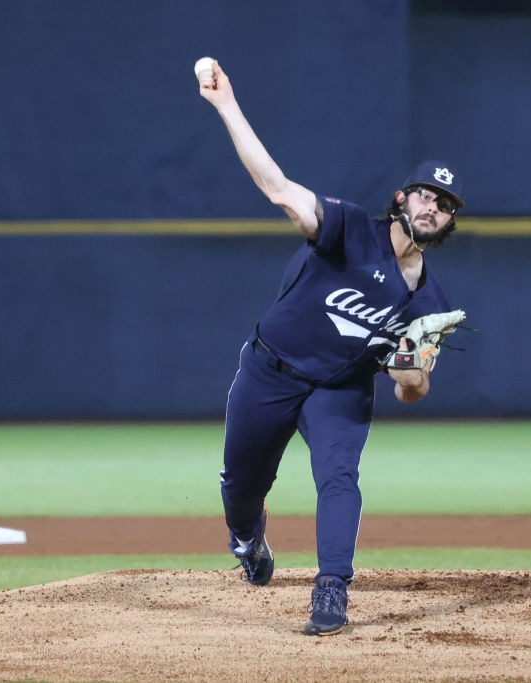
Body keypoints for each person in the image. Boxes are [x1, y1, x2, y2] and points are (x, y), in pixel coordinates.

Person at [197, 59, 466, 636]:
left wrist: (411, 369)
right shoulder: (348, 229)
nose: (432, 207)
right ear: (402, 199)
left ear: (447, 224)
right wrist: (226, 106)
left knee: (339, 478)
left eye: (443, 205)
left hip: (339, 390)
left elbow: (412, 391)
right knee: (240, 486)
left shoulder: (429, 303)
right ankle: (248, 539)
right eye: (425, 194)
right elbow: (278, 188)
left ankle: (331, 589)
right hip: (269, 371)